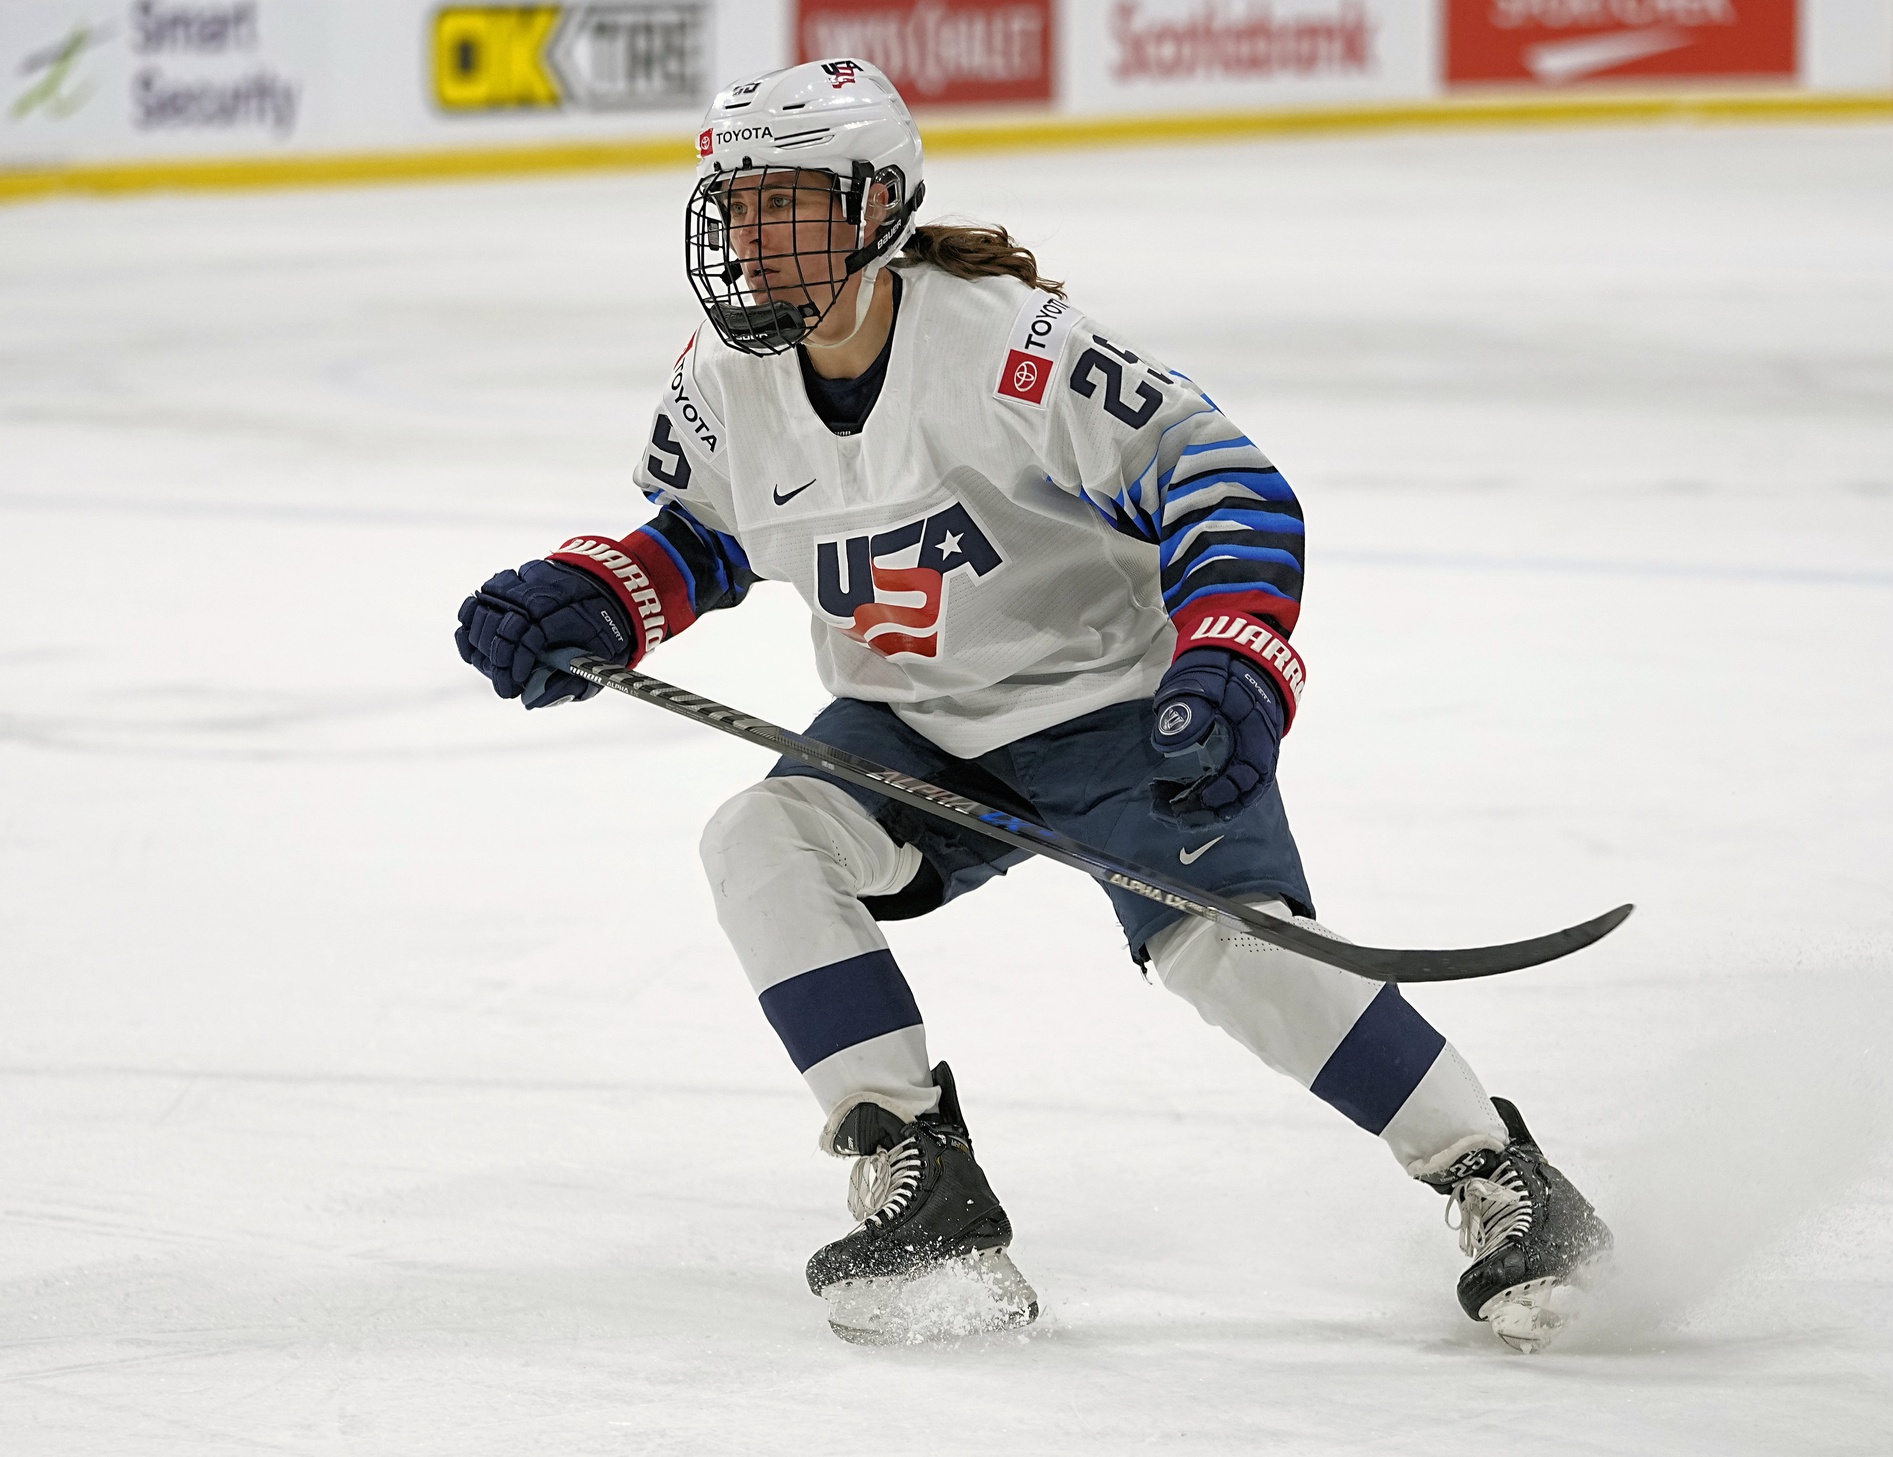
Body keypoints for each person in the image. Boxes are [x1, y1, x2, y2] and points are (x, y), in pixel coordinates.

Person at [455, 59, 1611, 1351]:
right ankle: (920, 1178)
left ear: (876, 206)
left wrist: (1228, 656)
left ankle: (1502, 1181)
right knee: (759, 840)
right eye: (731, 204)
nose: (743, 237)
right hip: (912, 731)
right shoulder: (724, 381)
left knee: (1227, 950)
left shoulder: (1007, 348)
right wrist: (596, 597)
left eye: (782, 205)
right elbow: (704, 535)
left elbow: (1222, 483)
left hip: (1109, 709)